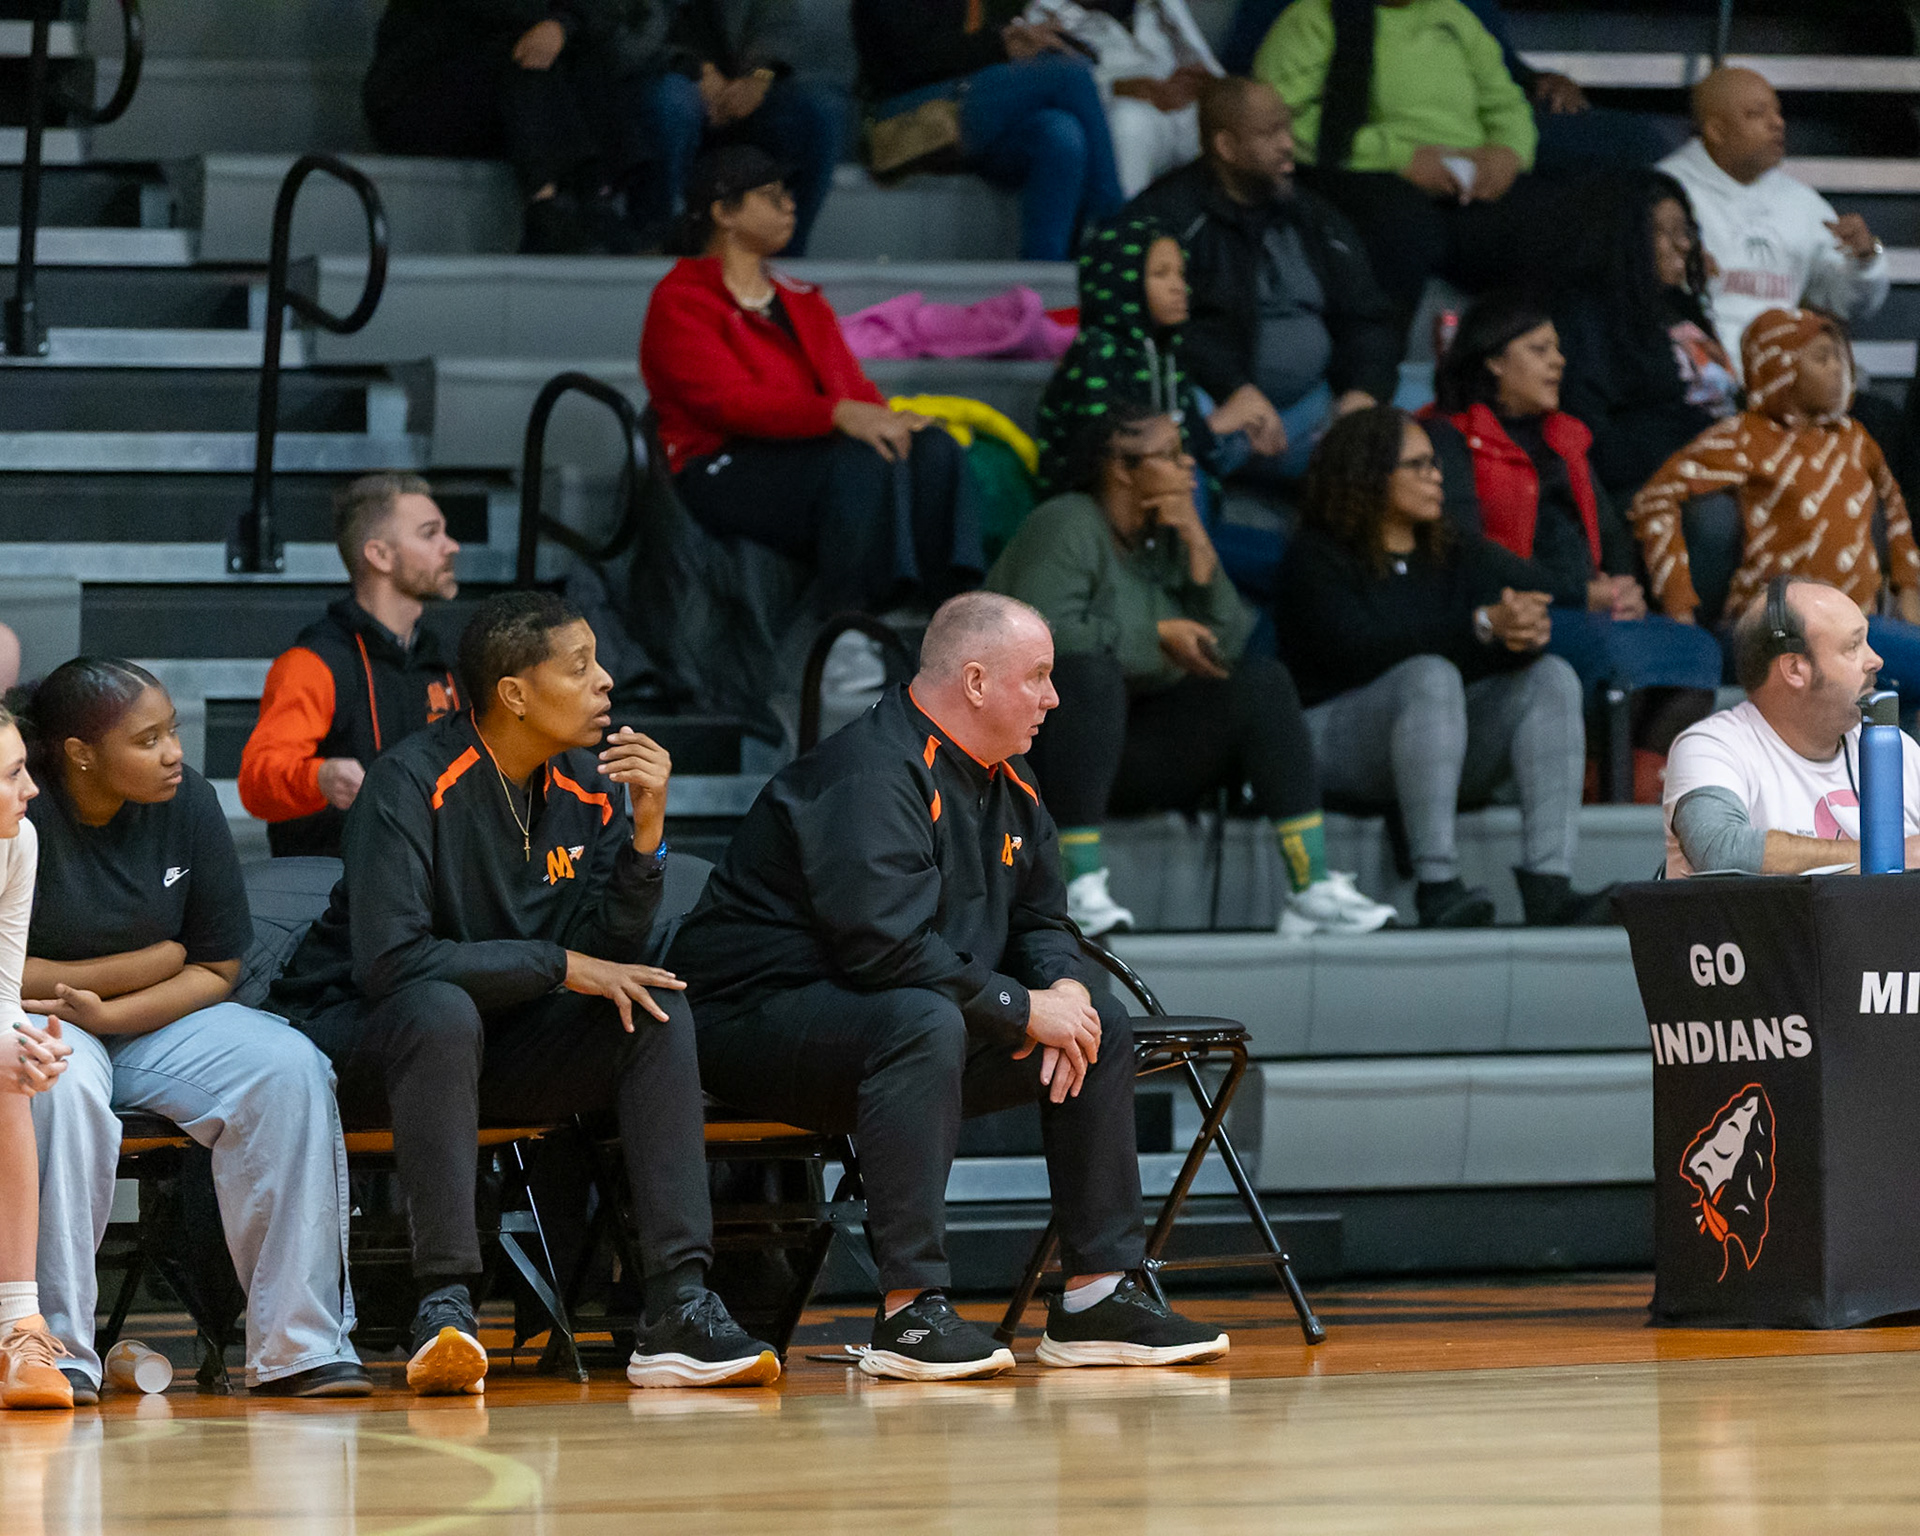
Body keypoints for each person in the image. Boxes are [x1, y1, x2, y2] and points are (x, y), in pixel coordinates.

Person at [670, 591, 1229, 1381]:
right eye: (1037, 676)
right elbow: (882, 949)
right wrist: (1022, 1008)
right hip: (751, 1026)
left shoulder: (1011, 781)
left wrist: (1063, 992)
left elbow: (1042, 921)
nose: (1053, 697)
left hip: (896, 1019)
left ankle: (1098, 1296)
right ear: (974, 681)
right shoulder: (869, 772)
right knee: (923, 1021)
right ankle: (910, 1313)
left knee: (1098, 1027)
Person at [271, 592, 777, 1396]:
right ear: (513, 693)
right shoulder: (407, 783)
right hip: (352, 1042)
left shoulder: (585, 786)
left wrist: (647, 834)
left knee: (650, 1010)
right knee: (440, 1009)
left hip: (493, 1043)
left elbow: (609, 956)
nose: (606, 682)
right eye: (580, 667)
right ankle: (444, 1303)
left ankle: (678, 1304)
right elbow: (393, 964)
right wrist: (557, 964)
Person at [19, 659, 367, 1401]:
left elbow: (214, 967)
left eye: (172, 731)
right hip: (42, 1018)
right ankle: (54, 1350)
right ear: (81, 754)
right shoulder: (22, 806)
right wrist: (151, 959)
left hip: (156, 1015)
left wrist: (111, 1010)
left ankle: (299, 1346)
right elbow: (10, 972)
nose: (174, 753)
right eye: (147, 740)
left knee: (288, 1066)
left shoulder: (190, 800)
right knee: (59, 1085)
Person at [990, 403, 1398, 938]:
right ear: (1120, 468)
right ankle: (1075, 885)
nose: (1189, 466)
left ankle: (1311, 887)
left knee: (1261, 682)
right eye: (1171, 454)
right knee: (1089, 676)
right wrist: (1157, 635)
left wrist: (1201, 548)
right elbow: (1039, 635)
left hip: (1120, 750)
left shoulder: (1165, 536)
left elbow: (1223, 649)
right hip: (1035, 753)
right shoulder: (1066, 523)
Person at [1274, 407, 1610, 927]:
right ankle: (1437, 885)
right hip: (1331, 741)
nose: (1437, 477)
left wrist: (1520, 633)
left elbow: (1501, 623)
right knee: (1430, 675)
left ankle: (1550, 883)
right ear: (1369, 475)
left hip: (1433, 740)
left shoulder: (1451, 550)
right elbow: (1355, 651)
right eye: (1418, 465)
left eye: (1435, 463)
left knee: (1551, 678)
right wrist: (1482, 626)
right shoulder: (1315, 556)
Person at [640, 146, 983, 612]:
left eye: (787, 194)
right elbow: (728, 405)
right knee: (861, 461)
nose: (789, 205)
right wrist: (837, 414)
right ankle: (847, 626)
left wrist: (889, 420)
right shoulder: (679, 300)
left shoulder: (801, 298)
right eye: (771, 196)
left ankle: (948, 614)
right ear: (724, 212)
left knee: (934, 448)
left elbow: (852, 387)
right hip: (720, 465)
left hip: (805, 450)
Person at [1423, 292, 1725, 705]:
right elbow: (1471, 551)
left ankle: (1644, 752)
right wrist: (1582, 595)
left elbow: (1610, 532)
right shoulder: (1449, 438)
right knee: (1631, 656)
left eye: (1558, 350)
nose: (1559, 361)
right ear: (1493, 361)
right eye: (1539, 350)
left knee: (1700, 651)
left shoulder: (1564, 435)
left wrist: (1624, 588)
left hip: (1588, 606)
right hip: (1517, 611)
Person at [1627, 308, 1920, 709]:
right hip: (1774, 628)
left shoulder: (1855, 438)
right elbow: (1655, 500)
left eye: (1841, 357)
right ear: (1779, 368)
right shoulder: (1744, 438)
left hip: (1857, 623)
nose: (1839, 369)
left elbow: (1896, 512)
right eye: (1822, 358)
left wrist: (1909, 590)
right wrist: (1679, 606)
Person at [1254, 0, 1578, 354]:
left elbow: (1506, 104)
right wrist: (1401, 158)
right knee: (1403, 227)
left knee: (1562, 221)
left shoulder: (1453, 15)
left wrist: (1508, 155)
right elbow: (1278, 123)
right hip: (1367, 174)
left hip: (1468, 183)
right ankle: (1373, 377)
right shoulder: (1312, 19)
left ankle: (1530, 375)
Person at [1126, 77, 1400, 486]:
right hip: (1219, 408)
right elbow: (1153, 323)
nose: (1288, 144)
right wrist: (1233, 389)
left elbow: (1369, 316)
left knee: (1411, 430)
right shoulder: (1170, 217)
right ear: (1226, 147)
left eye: (1287, 128)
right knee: (1169, 438)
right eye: (1270, 133)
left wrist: (1362, 392)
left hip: (1315, 409)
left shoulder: (1315, 217)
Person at [239, 475, 463, 859]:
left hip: (430, 876)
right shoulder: (315, 662)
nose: (451, 546)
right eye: (430, 534)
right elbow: (256, 783)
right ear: (380, 555)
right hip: (331, 882)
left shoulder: (444, 660)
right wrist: (320, 778)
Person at [1664, 575, 1920, 877]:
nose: (1876, 660)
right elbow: (1721, 849)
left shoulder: (1896, 748)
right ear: (1795, 669)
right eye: (1853, 646)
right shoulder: (1711, 746)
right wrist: (1890, 856)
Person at [1222, 0, 1670, 172]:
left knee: (1639, 145)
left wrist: (1536, 79)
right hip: (1382, 140)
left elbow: (1495, 60)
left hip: (1485, 127)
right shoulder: (1304, 16)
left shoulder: (1454, 12)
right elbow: (1254, 88)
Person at [362, 0, 653, 253]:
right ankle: (545, 208)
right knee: (529, 48)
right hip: (416, 98)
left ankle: (595, 199)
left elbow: (599, 12)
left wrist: (563, 24)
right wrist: (560, 24)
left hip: (492, 101)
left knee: (581, 52)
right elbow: (508, 12)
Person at [851, 0, 1125, 261]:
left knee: (1059, 133)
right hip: (907, 116)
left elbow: (998, 34)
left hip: (974, 111)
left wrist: (1031, 39)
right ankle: (1112, 225)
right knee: (1069, 75)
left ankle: (1044, 277)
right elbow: (913, 58)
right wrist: (1000, 44)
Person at [1658, 67, 1889, 376]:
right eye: (1756, 114)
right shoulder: (1664, 191)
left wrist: (1864, 259)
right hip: (1694, 374)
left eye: (1778, 112)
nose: (1777, 123)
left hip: (1786, 378)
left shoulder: (1802, 202)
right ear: (1716, 131)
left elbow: (1849, 305)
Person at [1554, 170, 1739, 506]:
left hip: (1722, 461)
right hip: (1654, 485)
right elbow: (1593, 443)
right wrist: (1698, 437)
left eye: (1685, 230)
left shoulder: (1680, 307)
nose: (1684, 244)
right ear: (1625, 237)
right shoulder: (1589, 319)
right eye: (1663, 231)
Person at [626, 0, 843, 254]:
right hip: (663, 77)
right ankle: (653, 242)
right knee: (673, 103)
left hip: (744, 87)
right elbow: (627, 30)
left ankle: (785, 254)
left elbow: (777, 23)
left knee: (819, 113)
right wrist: (691, 67)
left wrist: (759, 76)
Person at [0, 708, 74, 1411]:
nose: (32, 789)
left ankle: (18, 1328)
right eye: (12, 773)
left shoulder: (17, 839)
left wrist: (24, 1048)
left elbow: (2, 990)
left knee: (14, 1079)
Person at [1021, 0, 1224, 198]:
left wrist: (1199, 80)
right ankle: (1121, 219)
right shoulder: (1043, 14)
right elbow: (1053, 89)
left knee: (1229, 111)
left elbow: (1204, 63)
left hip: (1181, 107)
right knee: (1129, 121)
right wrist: (1118, 88)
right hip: (1116, 118)